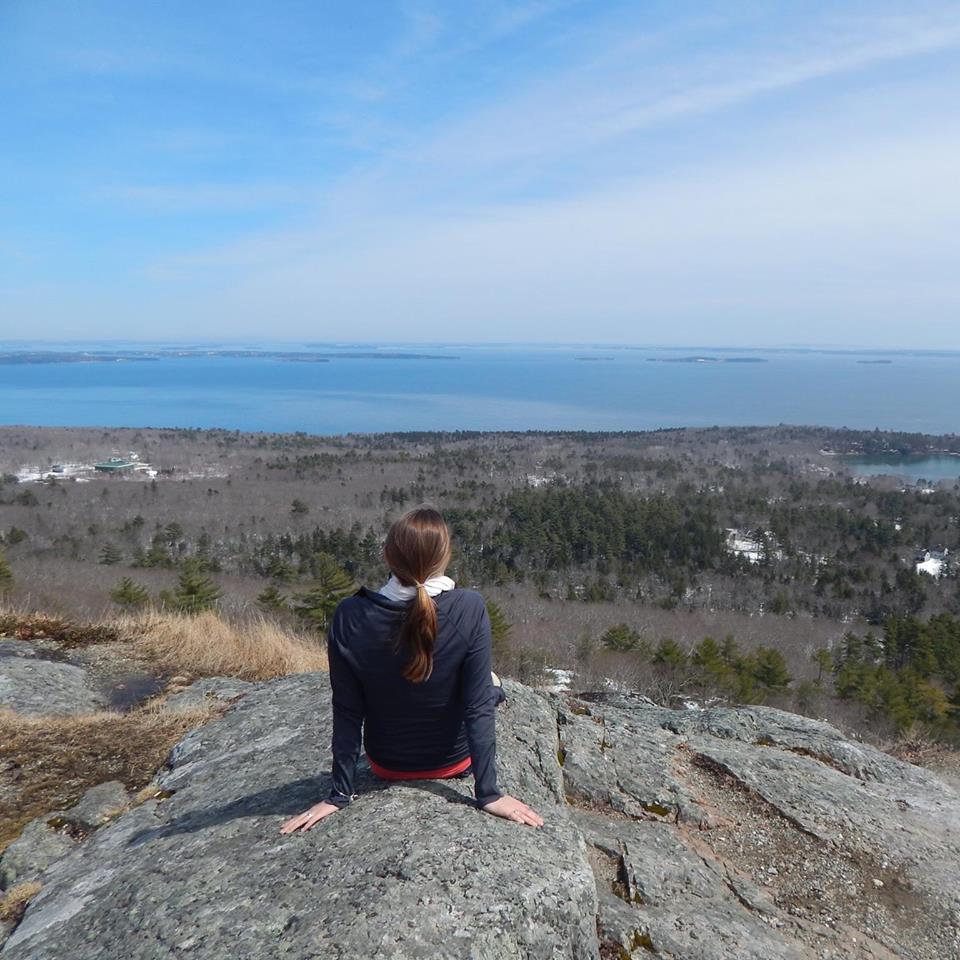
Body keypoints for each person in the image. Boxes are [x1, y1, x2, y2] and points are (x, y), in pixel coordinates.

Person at [280, 505, 544, 834]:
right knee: (488, 686)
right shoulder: (468, 607)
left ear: (388, 555)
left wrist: (339, 794)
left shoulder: (349, 616)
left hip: (386, 764)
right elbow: (476, 707)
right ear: (443, 557)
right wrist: (488, 793)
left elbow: (348, 711)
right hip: (454, 762)